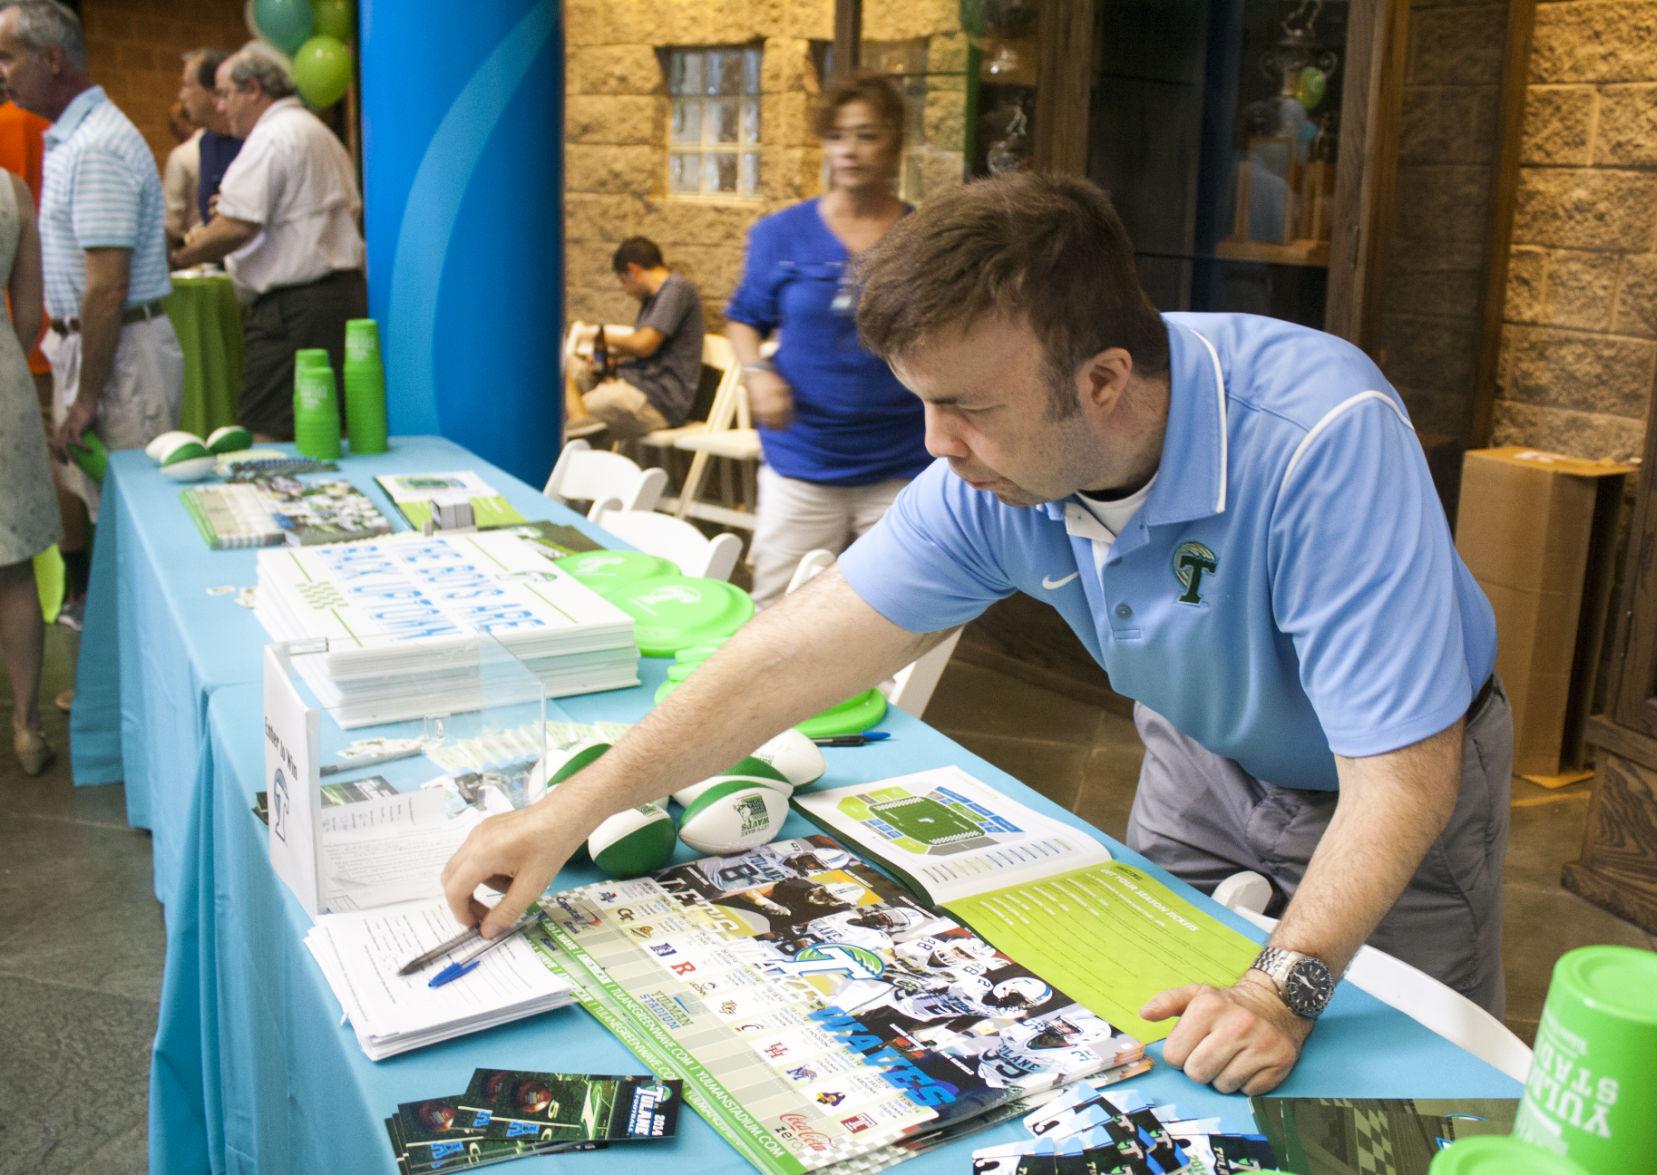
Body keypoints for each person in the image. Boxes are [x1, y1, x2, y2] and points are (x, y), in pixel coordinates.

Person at [441, 173, 1511, 1098]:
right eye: (920, 402)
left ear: (1101, 381)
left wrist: (1286, 986)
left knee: (1399, 1084)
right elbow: (788, 657)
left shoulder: (1320, 441)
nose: (933, 444)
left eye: (966, 408)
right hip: (1198, 747)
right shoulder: (984, 473)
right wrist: (569, 808)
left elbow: (1399, 779)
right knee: (1147, 1028)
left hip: (1391, 777)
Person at [725, 72, 929, 605]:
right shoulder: (781, 234)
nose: (850, 150)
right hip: (804, 457)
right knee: (779, 602)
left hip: (902, 460)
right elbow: (743, 317)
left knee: (901, 609)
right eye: (838, 136)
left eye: (867, 135)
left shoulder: (925, 239)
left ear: (896, 144)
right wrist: (756, 375)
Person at [0, 1, 184, 520]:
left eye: (8, 58)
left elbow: (107, 286)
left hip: (118, 355)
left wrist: (85, 399)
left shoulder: (96, 145)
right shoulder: (72, 139)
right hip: (99, 351)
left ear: (53, 59)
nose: (2, 75)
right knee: (100, 510)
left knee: (136, 518)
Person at [172, 46, 364, 440]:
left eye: (224, 94)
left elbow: (237, 227)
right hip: (336, 297)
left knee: (266, 437)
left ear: (253, 89)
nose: (220, 107)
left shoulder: (274, 136)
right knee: (326, 431)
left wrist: (181, 256)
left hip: (292, 311)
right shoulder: (315, 131)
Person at [0, 154, 54, 773]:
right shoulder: (11, 190)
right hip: (3, 379)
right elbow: (30, 312)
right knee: (12, 565)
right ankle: (26, 728)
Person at [564, 236, 704, 441]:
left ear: (634, 270)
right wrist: (614, 362)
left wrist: (598, 335)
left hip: (655, 400)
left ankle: (577, 420)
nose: (626, 291)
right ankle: (577, 417)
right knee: (561, 364)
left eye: (623, 281)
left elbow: (643, 345)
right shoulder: (653, 299)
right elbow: (649, 352)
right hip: (630, 385)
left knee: (562, 415)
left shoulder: (676, 290)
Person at [174, 47, 241, 233]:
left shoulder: (252, 137)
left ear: (213, 90)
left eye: (187, 85)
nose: (182, 95)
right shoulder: (207, 142)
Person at [162, 101, 199, 240]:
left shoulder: (181, 156)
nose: (172, 132)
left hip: (190, 245)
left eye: (174, 125)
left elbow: (171, 222)